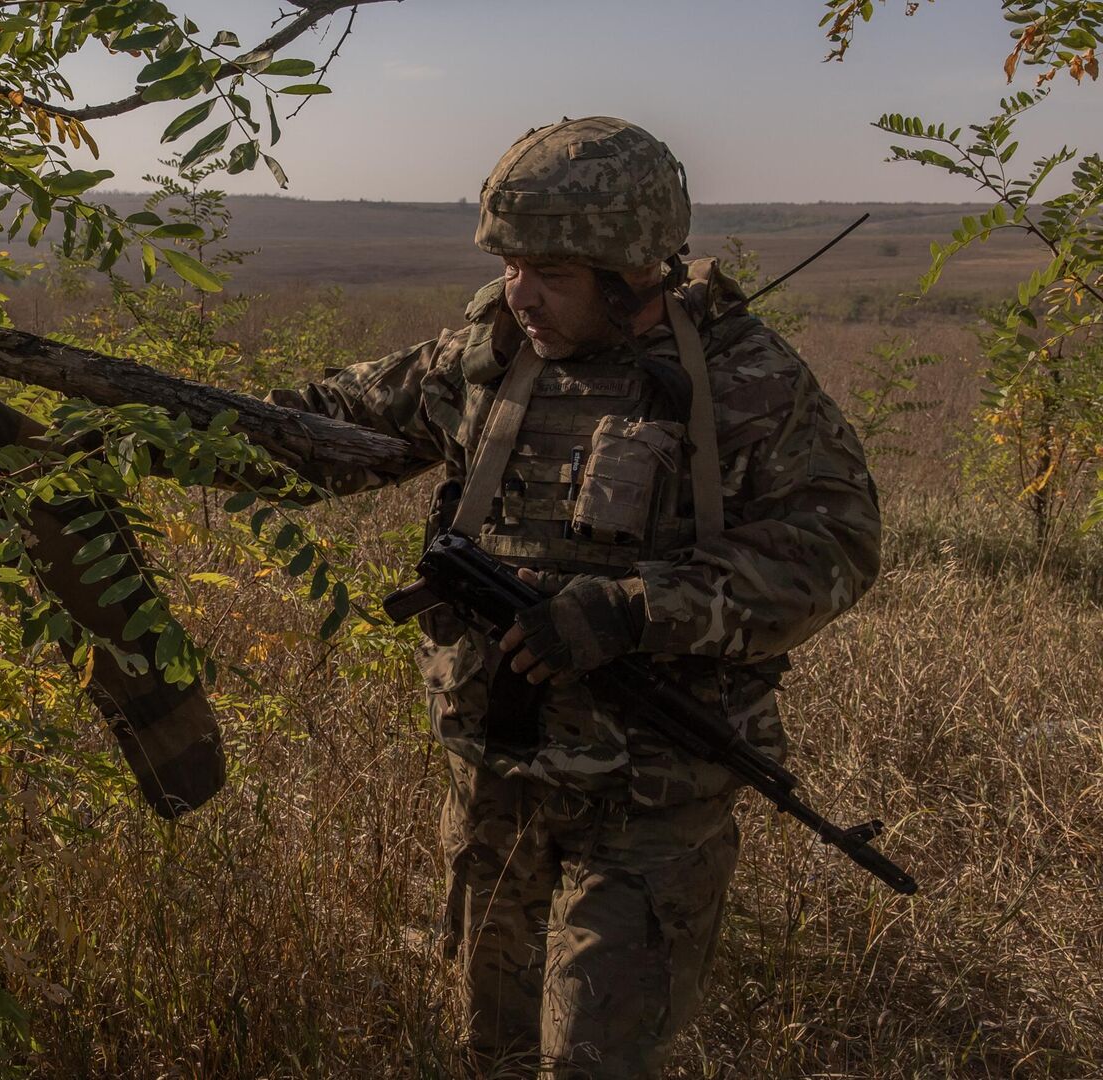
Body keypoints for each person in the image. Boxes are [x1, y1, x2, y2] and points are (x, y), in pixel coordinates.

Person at [268, 116, 882, 1077]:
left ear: (633, 273)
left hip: (651, 798)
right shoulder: (489, 355)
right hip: (496, 781)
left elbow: (834, 544)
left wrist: (636, 609)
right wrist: (176, 429)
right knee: (490, 1050)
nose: (521, 293)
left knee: (594, 1063)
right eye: (511, 265)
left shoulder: (742, 380)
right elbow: (329, 425)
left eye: (549, 274)